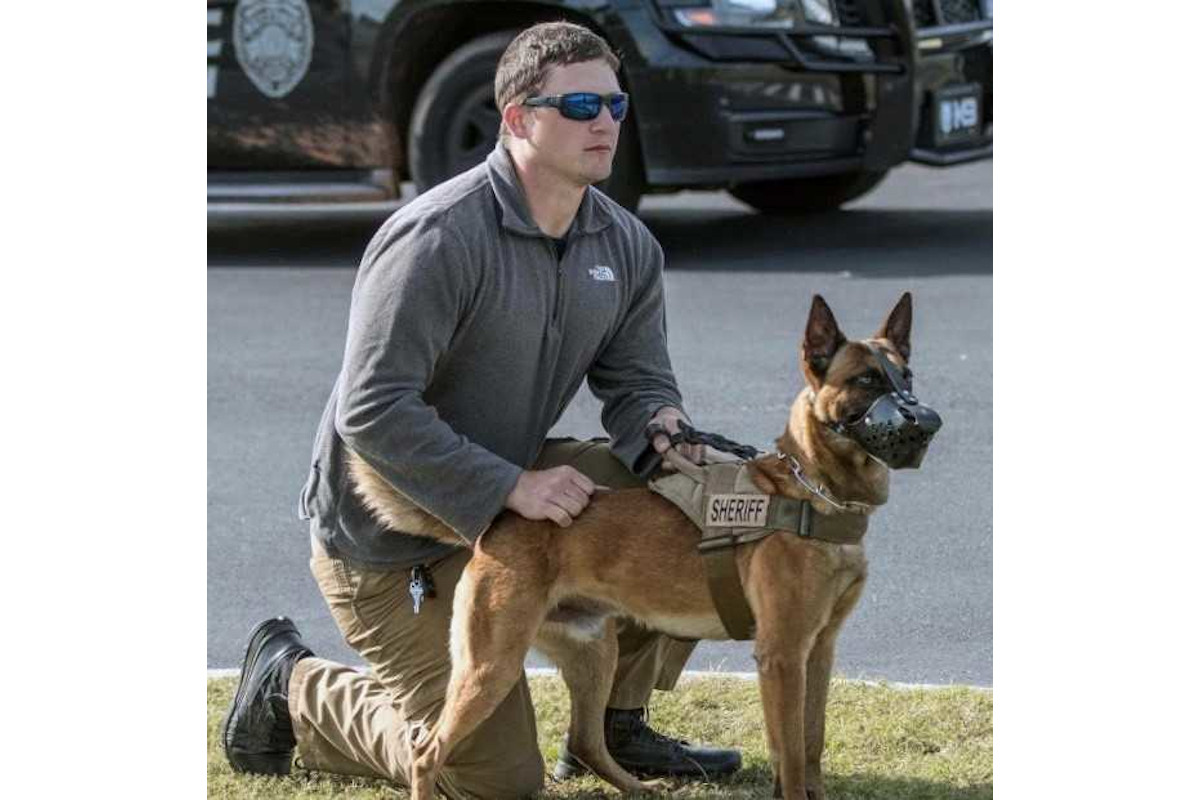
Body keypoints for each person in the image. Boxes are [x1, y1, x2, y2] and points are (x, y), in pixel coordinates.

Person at [221, 21, 741, 799]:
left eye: (616, 105)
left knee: (681, 498)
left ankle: (612, 725)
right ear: (517, 118)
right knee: (492, 780)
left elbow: (637, 387)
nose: (605, 122)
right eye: (581, 106)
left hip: (508, 508)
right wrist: (511, 487)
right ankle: (293, 691)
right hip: (387, 538)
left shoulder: (626, 245)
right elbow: (371, 409)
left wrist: (666, 432)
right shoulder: (437, 237)